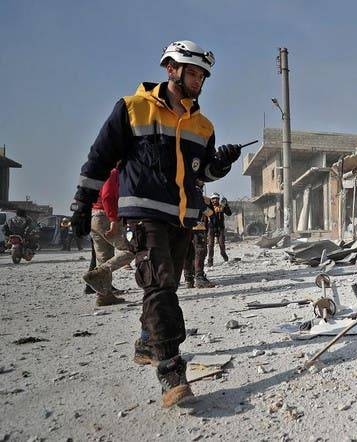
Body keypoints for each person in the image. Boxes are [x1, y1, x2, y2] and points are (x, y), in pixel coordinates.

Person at [69, 40, 242, 407]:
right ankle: (171, 370)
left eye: (202, 75)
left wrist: (222, 162)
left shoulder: (203, 125)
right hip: (144, 216)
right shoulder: (132, 110)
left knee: (167, 288)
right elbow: (100, 158)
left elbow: (203, 173)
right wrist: (83, 203)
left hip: (183, 219)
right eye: (191, 73)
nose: (198, 80)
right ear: (170, 69)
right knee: (160, 286)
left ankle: (148, 342)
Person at [82, 166, 134, 306]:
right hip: (105, 216)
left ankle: (104, 295)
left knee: (104, 257)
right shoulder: (112, 172)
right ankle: (100, 272)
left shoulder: (98, 172)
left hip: (93, 216)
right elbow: (108, 196)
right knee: (129, 250)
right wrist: (113, 220)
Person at [184, 182, 216, 289]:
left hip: (184, 226)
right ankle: (199, 278)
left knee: (187, 251)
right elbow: (202, 207)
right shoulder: (198, 192)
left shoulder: (181, 189)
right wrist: (211, 214)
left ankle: (188, 278)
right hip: (197, 225)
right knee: (200, 251)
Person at [206, 193, 232, 266]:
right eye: (213, 199)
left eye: (216, 199)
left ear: (218, 199)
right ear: (211, 200)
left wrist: (226, 205)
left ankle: (224, 255)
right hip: (211, 228)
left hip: (220, 228)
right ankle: (210, 261)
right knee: (210, 245)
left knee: (221, 244)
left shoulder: (221, 207)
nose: (215, 200)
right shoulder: (209, 208)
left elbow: (229, 213)